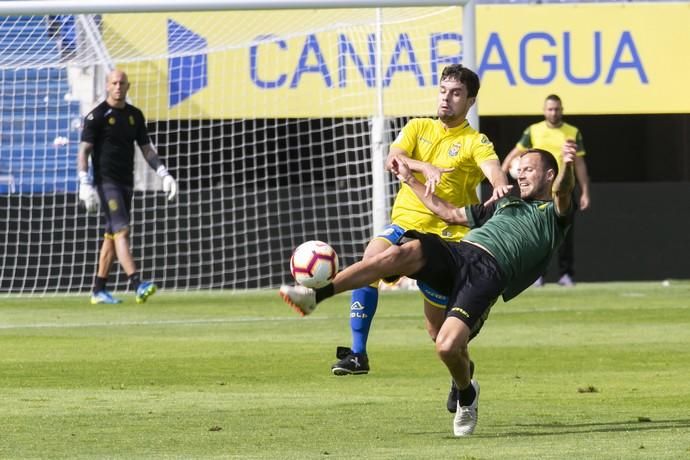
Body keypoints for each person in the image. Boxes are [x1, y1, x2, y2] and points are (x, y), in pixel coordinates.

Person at [280, 144, 576, 436]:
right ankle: (315, 296)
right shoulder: (504, 203)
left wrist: (569, 164)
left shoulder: (554, 215)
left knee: (446, 346)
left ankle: (467, 395)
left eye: (529, 170)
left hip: (488, 274)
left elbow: (563, 191)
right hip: (460, 252)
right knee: (396, 254)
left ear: (549, 175)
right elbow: (449, 214)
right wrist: (410, 179)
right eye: (519, 169)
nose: (521, 175)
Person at [331, 64, 510, 383]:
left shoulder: (474, 141)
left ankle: (464, 375)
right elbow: (392, 159)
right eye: (443, 91)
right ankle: (358, 353)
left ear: (470, 101)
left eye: (456, 94)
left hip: (445, 238)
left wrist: (499, 184)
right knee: (371, 260)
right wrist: (423, 166)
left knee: (437, 331)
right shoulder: (417, 127)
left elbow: (492, 168)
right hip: (404, 223)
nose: (446, 99)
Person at [77, 69, 178, 305]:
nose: (118, 86)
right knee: (122, 231)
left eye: (122, 83)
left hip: (126, 183)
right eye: (114, 82)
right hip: (106, 183)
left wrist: (164, 174)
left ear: (128, 86)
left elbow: (146, 149)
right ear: (107, 86)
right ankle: (137, 283)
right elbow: (84, 150)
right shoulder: (97, 116)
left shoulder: (135, 115)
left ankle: (98, 289)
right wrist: (84, 182)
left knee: (111, 236)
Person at [502, 94, 590, 287]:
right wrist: (500, 175)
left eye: (557, 109)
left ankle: (566, 275)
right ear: (544, 111)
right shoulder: (533, 130)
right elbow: (515, 153)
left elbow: (580, 163)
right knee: (536, 234)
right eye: (550, 109)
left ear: (562, 110)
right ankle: (536, 275)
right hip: (539, 191)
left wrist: (585, 191)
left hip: (563, 190)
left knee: (564, 234)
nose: (554, 112)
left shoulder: (572, 132)